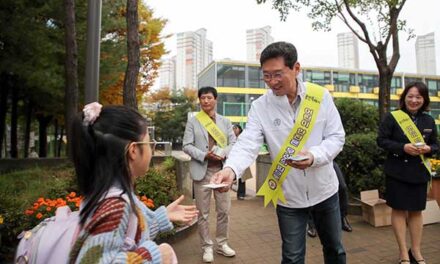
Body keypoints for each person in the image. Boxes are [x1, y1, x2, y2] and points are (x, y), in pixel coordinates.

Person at [212, 41, 346, 263]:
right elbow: (247, 143)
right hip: (288, 196)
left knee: (335, 250)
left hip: (325, 191)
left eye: (277, 74)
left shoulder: (320, 96)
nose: (272, 82)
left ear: (296, 68)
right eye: (266, 76)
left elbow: (336, 137)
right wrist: (231, 169)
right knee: (292, 257)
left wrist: (314, 156)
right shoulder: (260, 106)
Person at [69, 102, 198, 264]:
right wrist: (154, 255)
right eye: (151, 144)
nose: (152, 150)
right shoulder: (115, 205)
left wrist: (162, 217)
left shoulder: (105, 193)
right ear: (133, 150)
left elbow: (125, 238)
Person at [377, 81, 438, 264]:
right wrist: (403, 147)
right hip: (397, 172)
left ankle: (416, 251)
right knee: (398, 210)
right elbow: (381, 141)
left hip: (419, 172)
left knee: (416, 212)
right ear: (404, 98)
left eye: (418, 97)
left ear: (424, 99)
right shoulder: (393, 117)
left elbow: (436, 145)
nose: (414, 100)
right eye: (410, 96)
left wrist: (428, 148)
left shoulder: (429, 120)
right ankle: (403, 253)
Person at [182, 86, 237, 263]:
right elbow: (186, 145)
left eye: (209, 98)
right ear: (199, 100)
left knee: (223, 211)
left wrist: (223, 153)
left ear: (216, 99)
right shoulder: (194, 121)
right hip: (202, 171)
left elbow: (233, 143)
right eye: (203, 98)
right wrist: (204, 154)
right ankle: (207, 247)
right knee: (203, 213)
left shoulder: (225, 122)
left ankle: (222, 244)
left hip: (221, 172)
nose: (206, 101)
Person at [307, 162, 352, 238]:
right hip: (306, 166)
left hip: (326, 162)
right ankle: (311, 224)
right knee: (311, 192)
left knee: (342, 187)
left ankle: (342, 217)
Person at [232, 124, 253, 200]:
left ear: (239, 129)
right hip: (235, 160)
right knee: (235, 177)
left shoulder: (243, 137)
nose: (234, 130)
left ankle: (241, 194)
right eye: (233, 128)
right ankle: (239, 193)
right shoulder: (232, 138)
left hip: (243, 160)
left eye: (235, 128)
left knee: (242, 178)